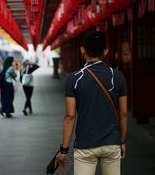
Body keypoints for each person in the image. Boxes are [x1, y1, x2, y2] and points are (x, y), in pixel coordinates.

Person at [55, 30, 128, 175]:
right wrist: (122, 141)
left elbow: (70, 116)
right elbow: (123, 114)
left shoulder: (74, 79)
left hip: (85, 144)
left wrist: (64, 149)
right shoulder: (118, 77)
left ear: (82, 50)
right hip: (112, 142)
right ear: (106, 51)